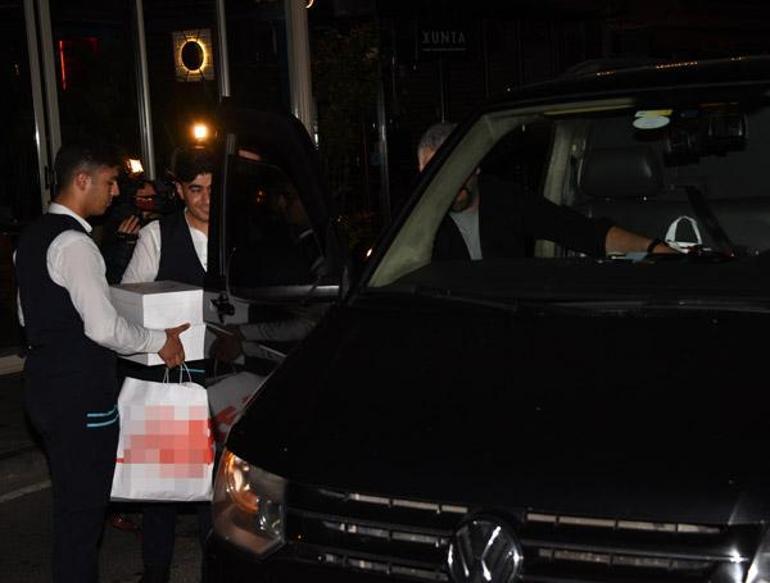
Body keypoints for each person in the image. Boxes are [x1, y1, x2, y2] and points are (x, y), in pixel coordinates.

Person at [13, 142, 188, 583]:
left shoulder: (32, 237)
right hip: (80, 394)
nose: (114, 193)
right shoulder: (76, 244)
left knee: (70, 510)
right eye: (109, 183)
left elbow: (25, 314)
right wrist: (159, 342)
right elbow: (104, 328)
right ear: (82, 180)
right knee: (83, 521)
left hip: (42, 388)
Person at [120, 146, 214, 583]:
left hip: (224, 375)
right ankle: (155, 572)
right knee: (163, 485)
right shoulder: (157, 235)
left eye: (213, 189)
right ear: (178, 190)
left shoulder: (241, 233)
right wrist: (160, 334)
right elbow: (129, 300)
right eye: (196, 190)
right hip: (170, 376)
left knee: (221, 485)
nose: (207, 199)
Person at [417, 122, 673, 260]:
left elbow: (580, 231)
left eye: (452, 172)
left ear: (475, 167)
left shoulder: (503, 199)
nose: (443, 185)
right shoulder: (414, 220)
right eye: (432, 175)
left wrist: (653, 248)